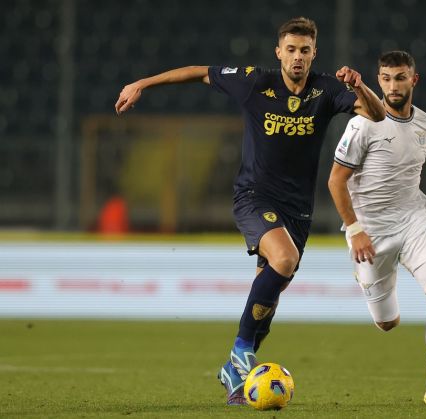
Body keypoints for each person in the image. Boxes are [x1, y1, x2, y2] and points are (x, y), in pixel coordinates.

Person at [115, 17, 385, 405]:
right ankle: (242, 349)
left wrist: (360, 86)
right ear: (279, 52)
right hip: (254, 197)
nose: (297, 58)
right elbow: (198, 72)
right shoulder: (256, 81)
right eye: (290, 50)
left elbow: (375, 115)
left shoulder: (327, 89)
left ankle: (232, 368)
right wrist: (141, 83)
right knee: (285, 259)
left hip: (298, 211)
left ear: (314, 54)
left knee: (271, 292)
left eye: (304, 51)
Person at [328, 51, 426, 406]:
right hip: (370, 235)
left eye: (401, 77)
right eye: (387, 78)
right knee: (387, 323)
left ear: (414, 80)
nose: (394, 85)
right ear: (379, 81)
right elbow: (335, 181)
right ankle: (365, 277)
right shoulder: (362, 124)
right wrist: (354, 229)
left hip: (414, 222)